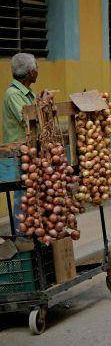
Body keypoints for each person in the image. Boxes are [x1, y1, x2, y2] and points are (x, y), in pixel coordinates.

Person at [3, 53, 39, 233]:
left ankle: (33, 238)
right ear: (31, 72)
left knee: (32, 198)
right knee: (23, 199)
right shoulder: (13, 94)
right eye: (36, 69)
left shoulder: (27, 94)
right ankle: (22, 239)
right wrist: (43, 105)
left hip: (30, 152)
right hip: (20, 154)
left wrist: (40, 101)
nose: (37, 72)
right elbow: (27, 119)